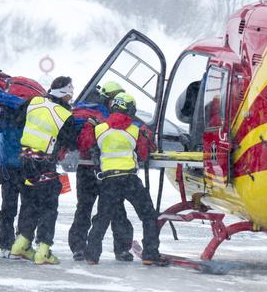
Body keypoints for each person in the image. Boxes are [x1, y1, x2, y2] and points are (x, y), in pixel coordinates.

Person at [84, 92, 166, 266]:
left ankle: (92, 255)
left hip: (108, 181)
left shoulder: (99, 129)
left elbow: (87, 146)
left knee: (102, 218)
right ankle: (150, 254)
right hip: (129, 179)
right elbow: (144, 155)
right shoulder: (135, 130)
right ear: (130, 109)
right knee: (148, 215)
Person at [10, 76, 77, 265]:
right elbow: (71, 142)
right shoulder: (65, 115)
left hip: (24, 162)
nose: (71, 97)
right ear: (64, 94)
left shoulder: (34, 101)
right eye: (70, 93)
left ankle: (21, 244)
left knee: (29, 202)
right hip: (44, 165)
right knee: (49, 207)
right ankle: (43, 250)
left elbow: (17, 121)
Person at [68, 81, 135, 262]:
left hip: (92, 170)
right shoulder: (110, 119)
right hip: (104, 172)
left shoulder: (91, 116)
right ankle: (120, 249)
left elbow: (83, 143)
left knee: (86, 209)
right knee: (114, 210)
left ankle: (80, 247)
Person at [0, 104, 27, 257]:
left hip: (8, 167)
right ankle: (20, 244)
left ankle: (6, 244)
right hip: (24, 168)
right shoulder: (28, 118)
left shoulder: (6, 117)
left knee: (8, 208)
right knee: (25, 208)